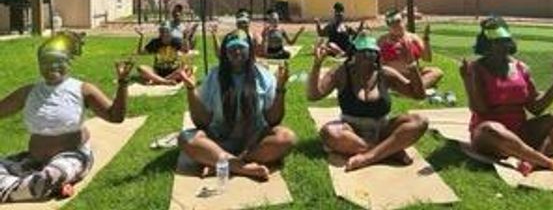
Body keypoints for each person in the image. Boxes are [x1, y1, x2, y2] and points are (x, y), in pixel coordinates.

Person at [0, 32, 133, 203]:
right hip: (34, 159)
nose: (52, 66)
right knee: (39, 179)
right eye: (46, 62)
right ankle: (45, 186)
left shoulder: (83, 89)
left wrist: (123, 83)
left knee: (47, 178)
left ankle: (43, 184)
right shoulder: (28, 92)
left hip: (72, 156)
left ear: (68, 63)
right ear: (39, 65)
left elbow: (115, 116)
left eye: (58, 61)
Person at [460, 16, 553, 175]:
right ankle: (549, 163)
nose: (500, 46)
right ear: (486, 44)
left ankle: (532, 160)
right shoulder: (476, 68)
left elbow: (536, 108)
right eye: (494, 42)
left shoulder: (521, 68)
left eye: (503, 41)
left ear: (509, 41)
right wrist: (468, 82)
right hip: (490, 136)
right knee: (490, 128)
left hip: (521, 132)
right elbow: (480, 109)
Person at [178, 30, 296, 181]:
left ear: (250, 50)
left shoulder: (264, 76)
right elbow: (202, 122)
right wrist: (191, 89)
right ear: (225, 52)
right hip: (219, 141)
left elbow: (273, 120)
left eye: (242, 47)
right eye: (232, 48)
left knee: (287, 137)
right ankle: (243, 168)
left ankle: (221, 163)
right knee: (185, 138)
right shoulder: (214, 76)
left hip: (254, 143)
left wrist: (280, 88)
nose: (237, 52)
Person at [308, 33, 428, 171]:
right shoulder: (341, 72)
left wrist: (412, 65)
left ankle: (367, 157)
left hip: (383, 129)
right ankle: (389, 151)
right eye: (363, 52)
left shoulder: (385, 73)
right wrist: (317, 65)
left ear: (377, 56)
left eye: (372, 53)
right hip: (351, 132)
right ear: (353, 54)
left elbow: (419, 95)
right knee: (329, 132)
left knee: (419, 121)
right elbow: (314, 95)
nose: (368, 56)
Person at [377, 9, 443, 89]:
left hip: (413, 74)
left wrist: (426, 39)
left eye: (398, 21)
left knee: (437, 72)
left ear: (403, 21)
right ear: (388, 26)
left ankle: (413, 88)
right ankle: (416, 89)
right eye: (392, 23)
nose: (396, 26)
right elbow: (377, 63)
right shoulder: (382, 40)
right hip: (394, 75)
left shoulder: (413, 38)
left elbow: (427, 58)